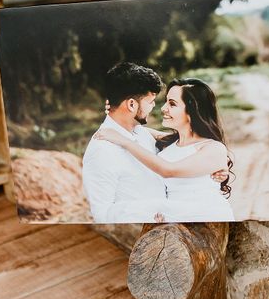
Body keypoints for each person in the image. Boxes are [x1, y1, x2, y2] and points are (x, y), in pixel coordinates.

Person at [94, 78, 235, 222]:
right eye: (166, 101)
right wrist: (118, 110)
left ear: (193, 111)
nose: (163, 108)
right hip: (174, 216)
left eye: (172, 104)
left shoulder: (213, 148)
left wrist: (125, 142)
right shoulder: (170, 143)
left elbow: (168, 170)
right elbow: (138, 129)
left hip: (207, 216)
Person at [82, 62, 166, 223]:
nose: (154, 106)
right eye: (150, 102)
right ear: (132, 104)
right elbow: (102, 214)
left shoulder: (140, 133)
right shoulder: (102, 150)